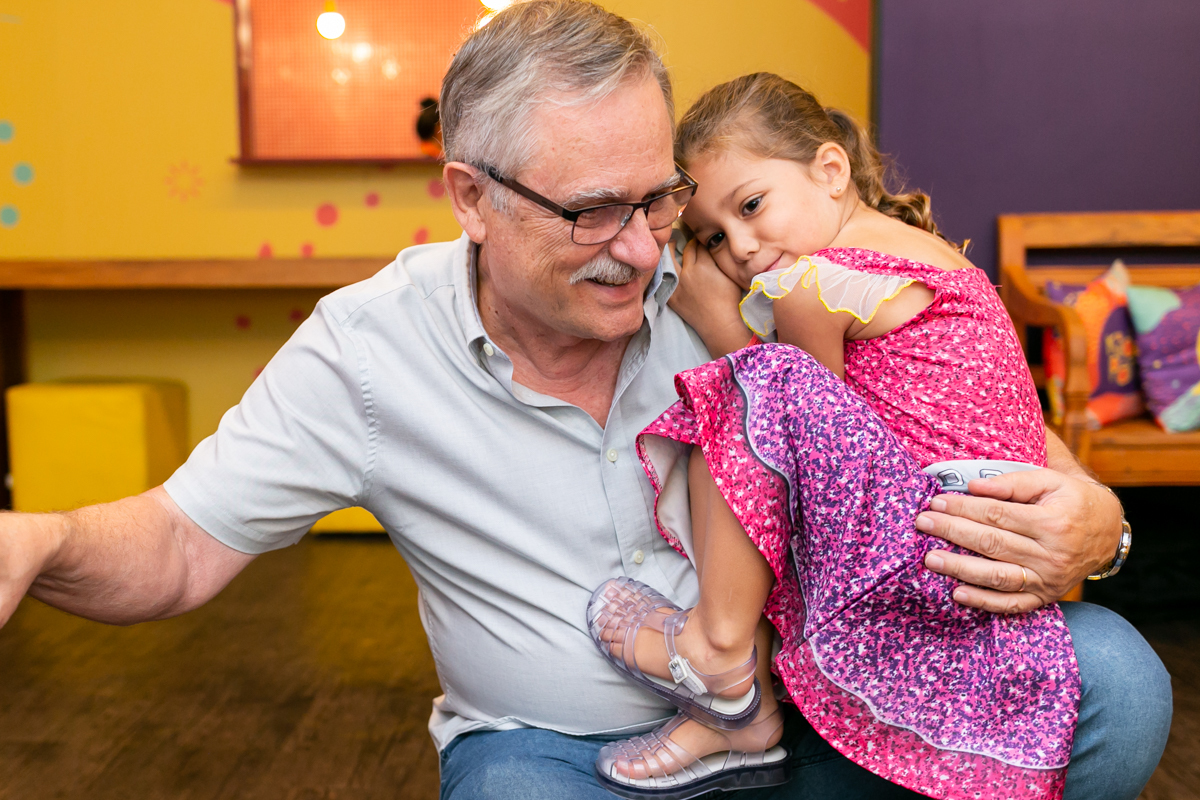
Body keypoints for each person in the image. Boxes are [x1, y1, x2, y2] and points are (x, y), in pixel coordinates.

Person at [0, 3, 1170, 799]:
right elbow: (176, 544)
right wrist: (37, 537)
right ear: (470, 194)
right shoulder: (365, 351)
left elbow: (974, 429)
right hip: (557, 756)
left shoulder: (731, 277)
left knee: (1113, 679)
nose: (638, 247)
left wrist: (1099, 523)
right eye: (588, 211)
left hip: (815, 710)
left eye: (658, 199)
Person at [586, 73, 1083, 800]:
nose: (745, 248)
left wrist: (714, 320)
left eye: (752, 206)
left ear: (829, 170)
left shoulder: (815, 285)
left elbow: (803, 444)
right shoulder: (919, 249)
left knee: (750, 388)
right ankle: (742, 687)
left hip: (936, 546)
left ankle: (719, 650)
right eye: (715, 238)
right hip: (978, 544)